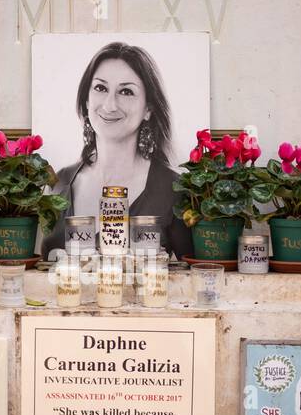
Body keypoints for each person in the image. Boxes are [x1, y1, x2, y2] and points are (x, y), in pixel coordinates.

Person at [42, 41, 192, 259]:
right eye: (101, 88)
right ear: (86, 100)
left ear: (148, 109)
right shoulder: (60, 182)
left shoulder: (174, 190)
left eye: (126, 91)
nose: (110, 105)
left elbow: (192, 278)